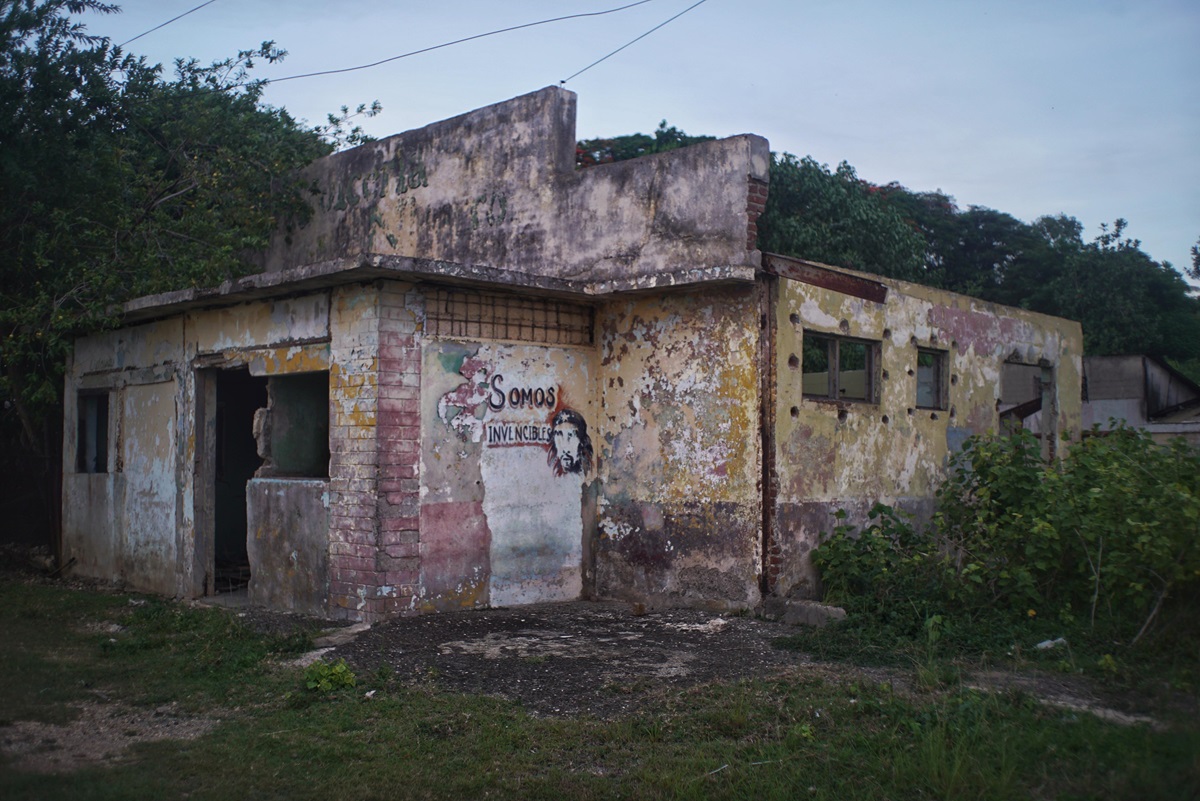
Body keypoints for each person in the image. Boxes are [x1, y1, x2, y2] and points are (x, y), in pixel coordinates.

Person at [547, 408, 592, 476]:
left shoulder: (589, 474)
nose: (565, 449)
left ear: (582, 442)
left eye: (571, 436)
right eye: (559, 434)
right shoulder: (551, 474)